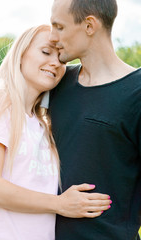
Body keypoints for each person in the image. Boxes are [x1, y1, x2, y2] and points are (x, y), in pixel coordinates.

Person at [0, 24, 111, 240]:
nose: (55, 63)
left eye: (62, 59)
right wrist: (61, 204)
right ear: (20, 55)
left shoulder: (41, 124)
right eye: (46, 52)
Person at [48, 0, 141, 239]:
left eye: (59, 27)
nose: (52, 37)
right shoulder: (56, 82)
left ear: (89, 25)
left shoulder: (137, 92)